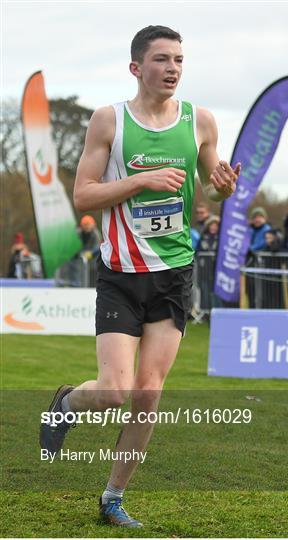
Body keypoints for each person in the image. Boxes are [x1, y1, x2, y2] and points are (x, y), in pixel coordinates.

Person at [39, 25, 241, 528]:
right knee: (113, 392)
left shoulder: (200, 121)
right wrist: (141, 180)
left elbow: (211, 194)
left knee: (148, 393)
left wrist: (222, 189)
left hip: (173, 275)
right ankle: (66, 402)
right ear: (136, 68)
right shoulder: (110, 121)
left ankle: (112, 498)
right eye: (161, 59)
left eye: (178, 59)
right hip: (122, 275)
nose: (172, 68)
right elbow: (84, 196)